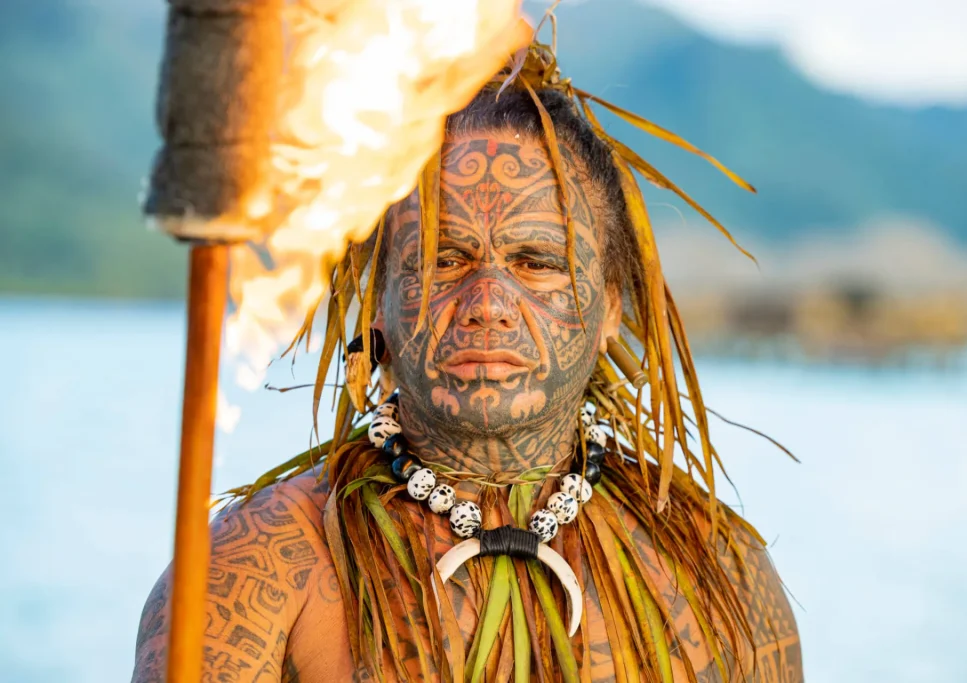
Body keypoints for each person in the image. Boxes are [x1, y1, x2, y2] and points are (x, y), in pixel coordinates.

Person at [131, 40, 802, 683]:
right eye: (443, 259)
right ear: (378, 304)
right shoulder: (255, 568)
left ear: (610, 311)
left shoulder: (722, 572)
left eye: (537, 263)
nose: (487, 302)